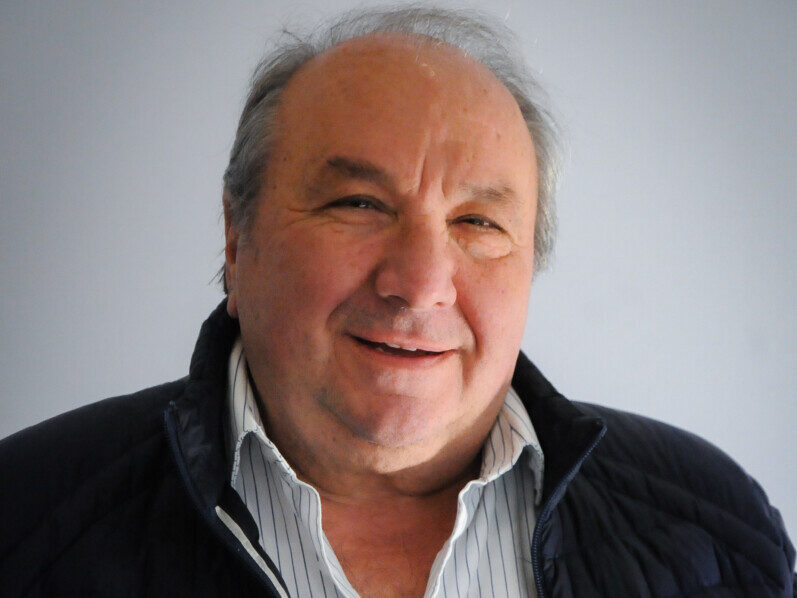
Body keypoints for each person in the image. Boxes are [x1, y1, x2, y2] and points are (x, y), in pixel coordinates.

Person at [0, 5, 794, 598]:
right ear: (236, 240)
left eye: (477, 222)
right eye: (358, 204)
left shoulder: (715, 525)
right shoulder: (27, 518)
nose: (418, 283)